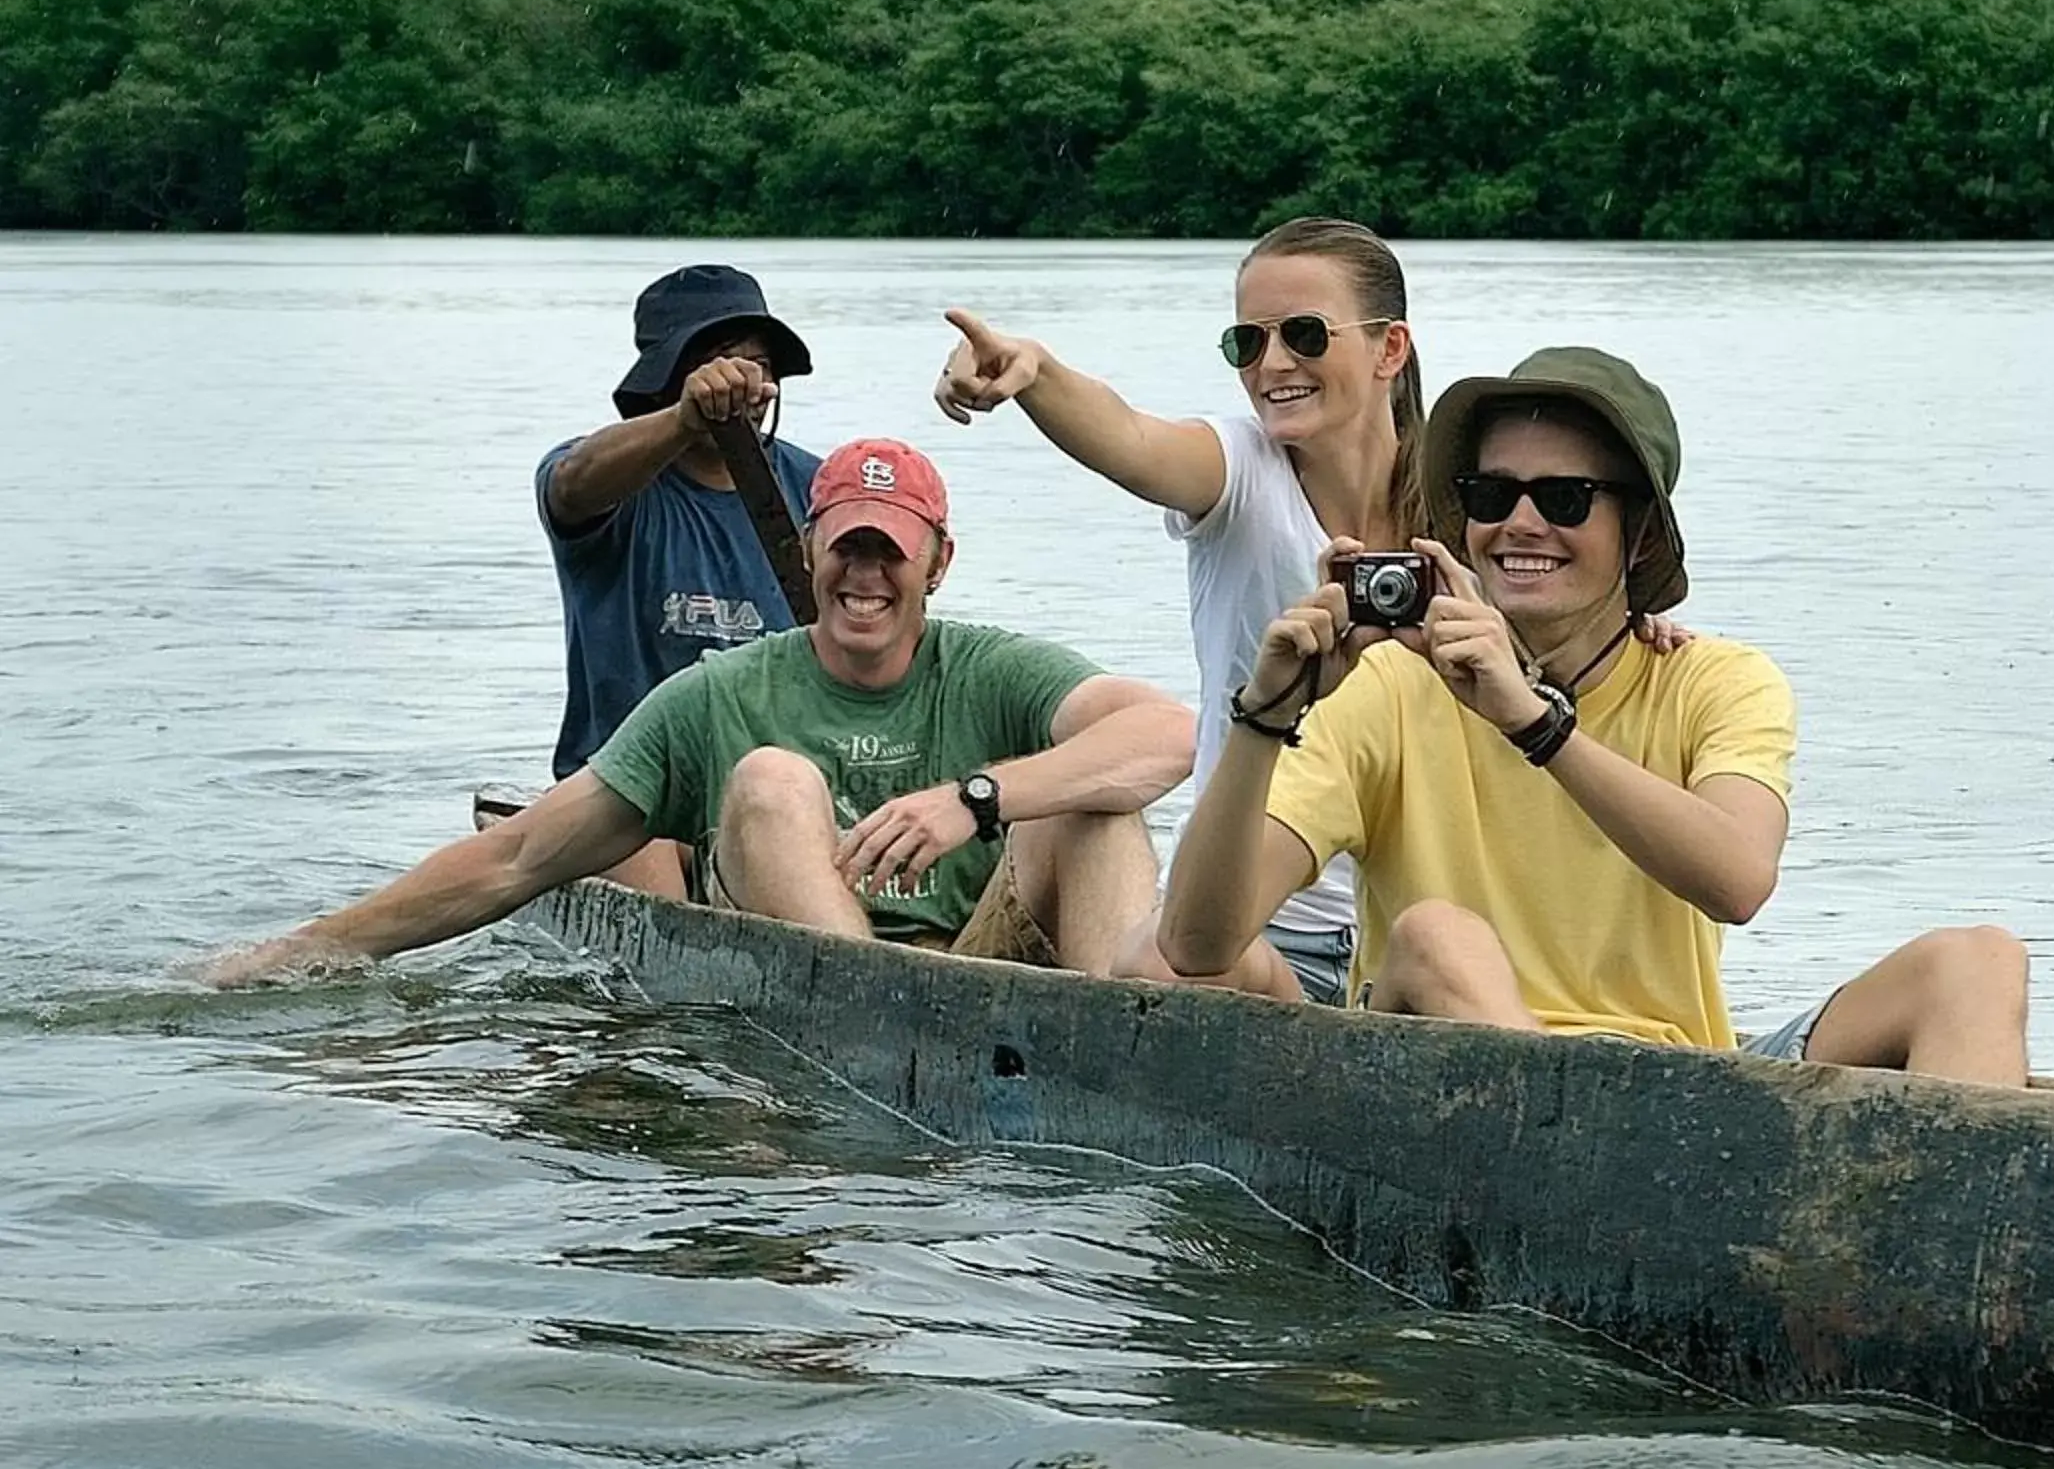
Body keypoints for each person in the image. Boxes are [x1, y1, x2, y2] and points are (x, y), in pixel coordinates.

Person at [1152, 349, 2033, 1085]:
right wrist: (1266, 716)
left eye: (1565, 499)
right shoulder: (1388, 688)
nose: (1521, 525)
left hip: (1679, 1080)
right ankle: (1562, 1176)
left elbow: (1738, 880)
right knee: (1435, 932)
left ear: (1639, 533)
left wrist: (1534, 722)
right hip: (1456, 1076)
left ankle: (1971, 1255)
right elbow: (1197, 943)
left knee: (1979, 960)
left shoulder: (1716, 681)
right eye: (1491, 498)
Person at [202, 439, 1194, 988]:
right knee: (771, 776)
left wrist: (976, 797)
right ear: (808, 553)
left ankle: (1131, 1029)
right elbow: (517, 858)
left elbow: (1169, 735)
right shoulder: (719, 693)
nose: (865, 573)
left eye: (891, 551)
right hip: (817, 991)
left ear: (937, 561)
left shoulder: (990, 665)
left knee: (1095, 793)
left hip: (976, 973)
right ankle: (870, 1003)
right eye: (846, 546)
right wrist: (307, 948)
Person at [928, 218, 1423, 1003]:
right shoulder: (1241, 470)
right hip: (1259, 928)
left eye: (1304, 334)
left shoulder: (1472, 506)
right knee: (1159, 963)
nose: (1274, 365)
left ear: (1388, 350)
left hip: (1413, 928)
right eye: (1247, 343)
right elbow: (1130, 437)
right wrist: (1033, 373)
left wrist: (1642, 625)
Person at [541, 264, 825, 898]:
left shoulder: (817, 487)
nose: (745, 380)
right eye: (722, 361)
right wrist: (687, 419)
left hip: (770, 797)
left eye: (757, 362)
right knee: (641, 843)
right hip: (628, 793)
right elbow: (572, 485)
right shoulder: (610, 483)